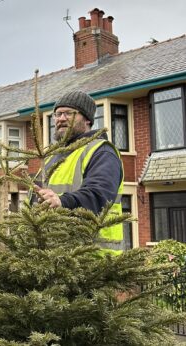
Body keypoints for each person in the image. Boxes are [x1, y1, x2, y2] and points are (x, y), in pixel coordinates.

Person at [34, 91, 124, 254]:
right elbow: (33, 201)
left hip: (95, 258)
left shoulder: (101, 152)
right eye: (58, 114)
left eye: (69, 113)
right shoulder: (49, 158)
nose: (61, 118)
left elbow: (98, 195)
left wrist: (62, 202)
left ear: (87, 119)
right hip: (52, 257)